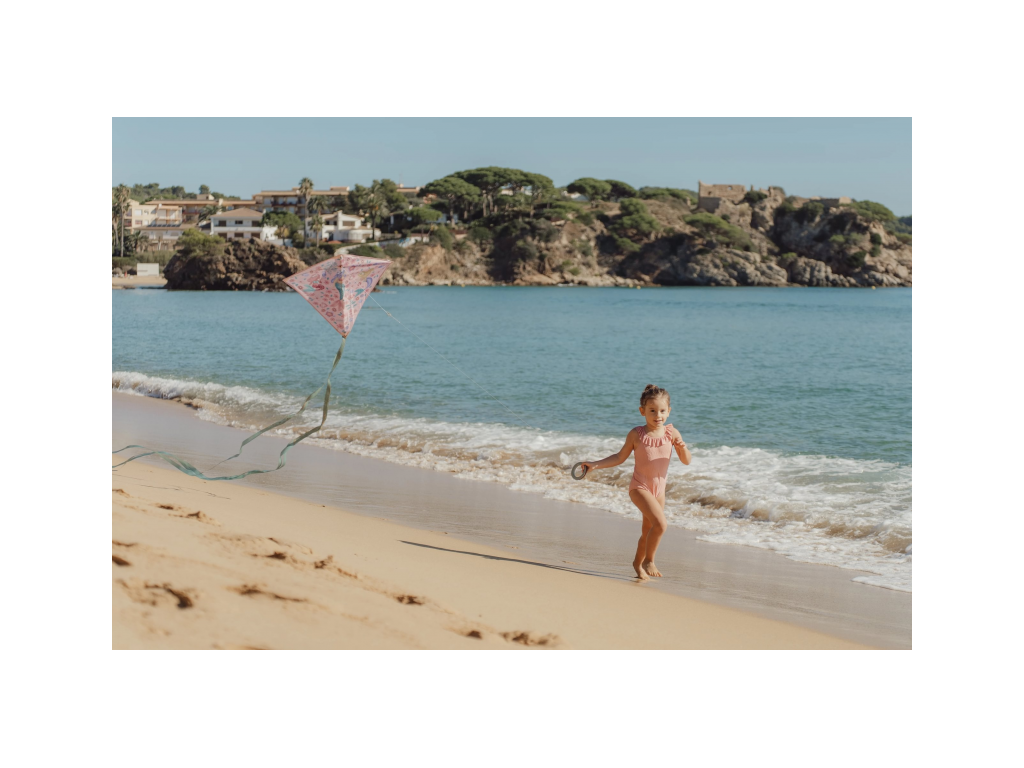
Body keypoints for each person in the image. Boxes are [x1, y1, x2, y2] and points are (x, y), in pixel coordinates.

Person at [579, 384, 691, 580]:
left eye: (662, 411)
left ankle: (637, 564)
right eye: (652, 411)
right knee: (661, 525)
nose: (658, 415)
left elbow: (686, 461)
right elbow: (619, 457)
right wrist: (595, 465)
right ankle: (649, 560)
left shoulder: (672, 433)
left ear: (669, 411)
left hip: (659, 491)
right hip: (640, 487)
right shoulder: (637, 434)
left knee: (648, 532)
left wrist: (683, 448)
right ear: (642, 411)